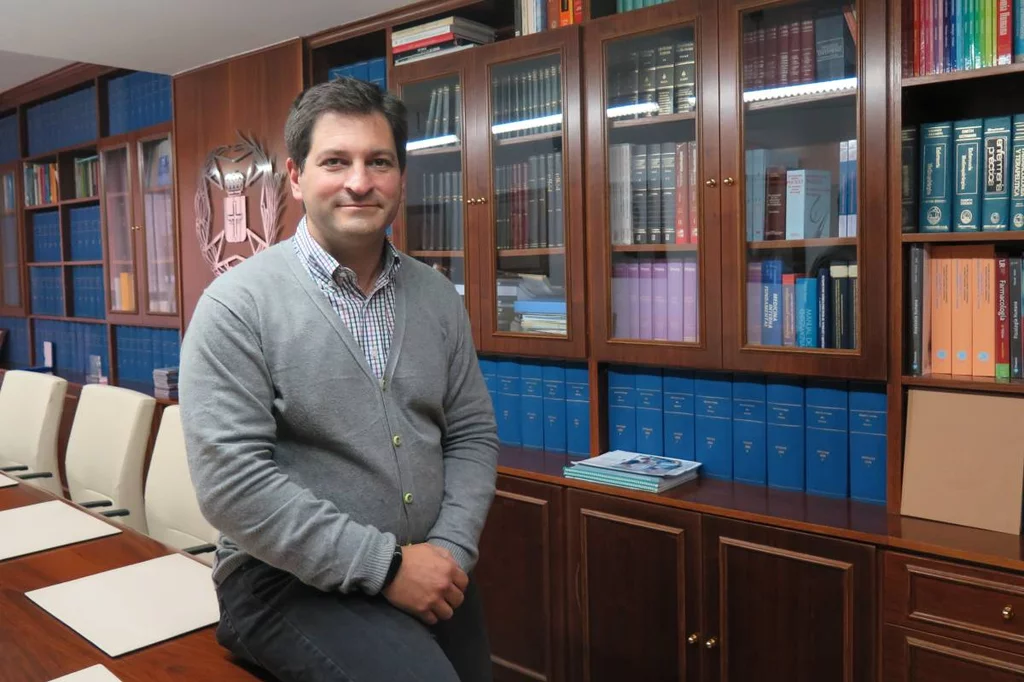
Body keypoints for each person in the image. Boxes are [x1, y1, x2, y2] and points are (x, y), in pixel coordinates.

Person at [179, 76, 499, 682]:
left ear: (400, 177)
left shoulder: (436, 296)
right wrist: (386, 568)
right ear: (296, 179)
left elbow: (473, 435)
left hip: (427, 565)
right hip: (281, 582)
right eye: (336, 161)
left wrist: (449, 552)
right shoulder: (237, 305)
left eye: (378, 161)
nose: (359, 181)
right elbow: (231, 483)